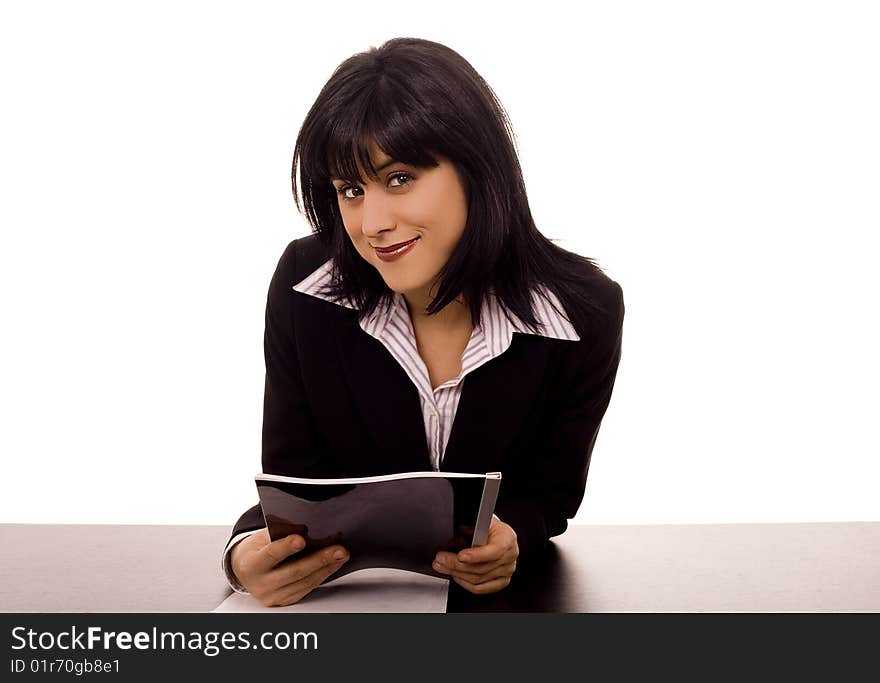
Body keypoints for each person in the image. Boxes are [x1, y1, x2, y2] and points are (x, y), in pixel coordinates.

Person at [221, 37, 625, 607]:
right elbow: (296, 490)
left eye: (400, 178)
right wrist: (242, 555)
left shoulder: (582, 313)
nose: (373, 222)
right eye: (351, 190)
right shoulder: (307, 287)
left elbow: (548, 496)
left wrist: (511, 537)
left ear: (477, 170)